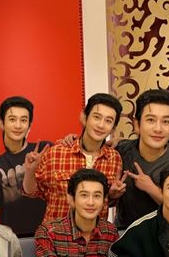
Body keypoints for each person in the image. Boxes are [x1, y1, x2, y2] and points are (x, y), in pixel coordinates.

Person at [22, 93, 126, 223]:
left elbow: (106, 202)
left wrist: (112, 194)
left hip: (95, 234)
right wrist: (30, 171)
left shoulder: (114, 159)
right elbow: (32, 191)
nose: (101, 125)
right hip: (55, 233)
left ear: (113, 129)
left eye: (108, 121)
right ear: (84, 117)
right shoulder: (56, 152)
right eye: (96, 117)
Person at [114, 89, 169, 230]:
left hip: (161, 234)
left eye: (166, 121)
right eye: (151, 120)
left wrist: (152, 189)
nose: (158, 129)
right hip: (123, 231)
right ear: (137, 125)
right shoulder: (121, 150)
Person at [0, 96, 52, 238]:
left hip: (46, 237)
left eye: (23, 120)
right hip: (11, 238)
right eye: (12, 119)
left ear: (29, 125)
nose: (18, 126)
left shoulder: (43, 150)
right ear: (1, 123)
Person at [35, 169, 118, 257]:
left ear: (104, 200)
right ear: (71, 198)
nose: (90, 202)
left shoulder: (110, 232)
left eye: (97, 196)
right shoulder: (49, 232)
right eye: (84, 195)